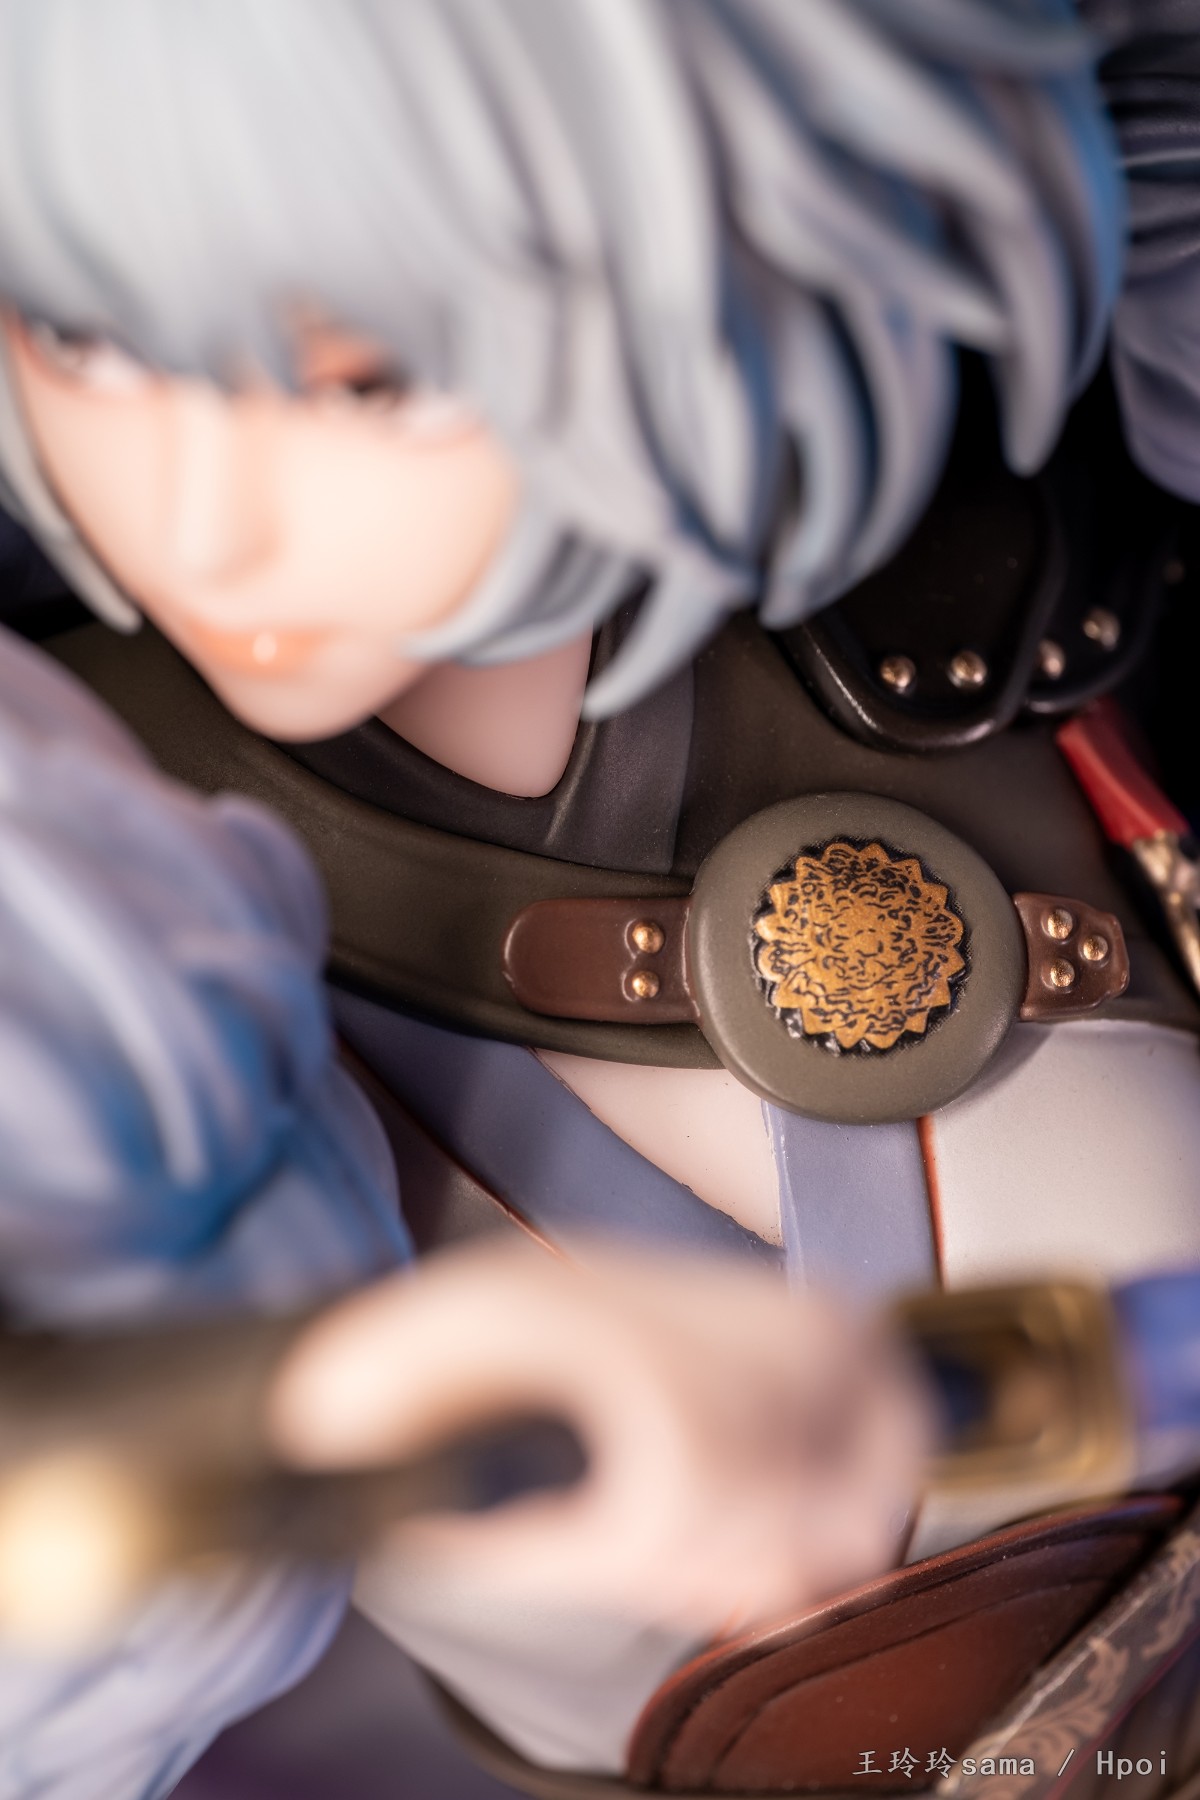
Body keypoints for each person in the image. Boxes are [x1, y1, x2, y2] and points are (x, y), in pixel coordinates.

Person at [0, 1, 1199, 1793]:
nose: (202, 519)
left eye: (370, 381)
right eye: (84, 339)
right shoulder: (90, 885)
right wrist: (264, 1421)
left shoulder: (1054, 520)